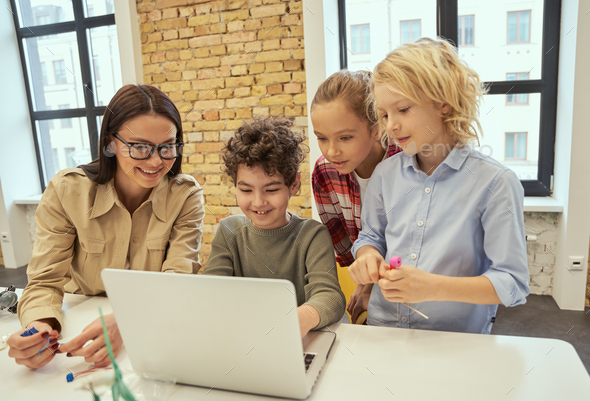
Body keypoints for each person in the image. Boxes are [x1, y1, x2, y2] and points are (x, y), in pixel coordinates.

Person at [8, 84, 205, 368]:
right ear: (111, 143)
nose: (155, 160)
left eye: (167, 147)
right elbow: (45, 282)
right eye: (139, 147)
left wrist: (127, 321)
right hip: (77, 326)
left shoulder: (186, 196)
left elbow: (176, 281)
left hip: (151, 325)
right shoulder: (67, 190)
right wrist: (40, 327)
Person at [349, 38, 530, 334]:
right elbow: (371, 236)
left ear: (443, 103)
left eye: (403, 109)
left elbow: (512, 283)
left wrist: (432, 287)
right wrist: (367, 255)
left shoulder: (495, 183)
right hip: (383, 330)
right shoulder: (384, 175)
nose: (391, 125)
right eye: (384, 114)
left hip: (455, 339)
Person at [203, 118, 345, 338]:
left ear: (294, 184)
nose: (258, 202)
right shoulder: (229, 232)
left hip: (297, 342)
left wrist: (297, 320)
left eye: (271, 190)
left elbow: (330, 297)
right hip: (244, 341)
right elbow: (212, 293)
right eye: (247, 190)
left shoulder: (312, 235)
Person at [310, 70, 401, 323]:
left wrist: (373, 287)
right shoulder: (324, 172)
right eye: (322, 138)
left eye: (345, 137)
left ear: (376, 129)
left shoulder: (407, 163)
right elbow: (345, 247)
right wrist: (364, 284)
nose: (332, 150)